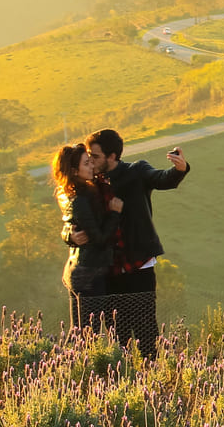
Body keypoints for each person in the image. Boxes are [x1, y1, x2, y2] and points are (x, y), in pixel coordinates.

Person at [65, 129, 189, 359]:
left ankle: (151, 376)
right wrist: (69, 236)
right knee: (117, 335)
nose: (91, 160)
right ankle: (125, 378)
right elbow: (73, 215)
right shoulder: (91, 184)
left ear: (112, 156)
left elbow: (162, 178)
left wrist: (179, 169)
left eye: (96, 156)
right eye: (89, 157)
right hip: (108, 270)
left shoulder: (136, 171)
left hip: (138, 266)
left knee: (145, 329)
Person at [54, 144, 124, 331]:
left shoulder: (73, 193)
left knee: (78, 332)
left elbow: (71, 226)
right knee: (87, 334)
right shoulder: (81, 200)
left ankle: (67, 360)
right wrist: (114, 214)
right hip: (89, 274)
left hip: (79, 269)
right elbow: (99, 239)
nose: (92, 166)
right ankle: (68, 360)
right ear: (75, 171)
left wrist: (68, 235)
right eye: (86, 163)